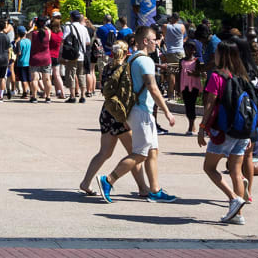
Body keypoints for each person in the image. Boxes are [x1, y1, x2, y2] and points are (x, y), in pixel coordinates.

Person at [98, 26, 177, 204]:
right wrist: (167, 112)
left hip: (139, 110)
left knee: (152, 151)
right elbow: (153, 88)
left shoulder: (132, 58)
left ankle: (155, 190)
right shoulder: (145, 61)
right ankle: (108, 180)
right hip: (142, 111)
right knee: (140, 153)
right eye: (154, 39)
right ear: (145, 41)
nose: (157, 42)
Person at [199, 41, 258, 225]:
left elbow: (210, 103)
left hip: (223, 131)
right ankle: (238, 215)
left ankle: (233, 198)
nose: (214, 55)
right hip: (242, 131)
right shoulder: (242, 76)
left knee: (209, 168)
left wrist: (202, 127)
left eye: (216, 52)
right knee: (235, 170)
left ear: (222, 55)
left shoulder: (217, 76)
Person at [80, 42, 150, 198]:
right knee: (135, 153)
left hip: (106, 112)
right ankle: (143, 189)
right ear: (126, 53)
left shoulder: (106, 68)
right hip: (119, 115)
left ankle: (85, 182)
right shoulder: (125, 69)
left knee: (104, 152)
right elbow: (125, 95)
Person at [62, 11, 91, 103]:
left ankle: (73, 96)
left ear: (71, 18)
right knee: (81, 75)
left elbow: (64, 40)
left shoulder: (69, 27)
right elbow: (88, 42)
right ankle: (82, 96)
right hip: (82, 55)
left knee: (71, 75)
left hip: (72, 55)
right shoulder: (84, 28)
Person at [177, 42, 203, 134]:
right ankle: (191, 124)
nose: (188, 51)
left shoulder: (196, 61)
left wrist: (193, 73)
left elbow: (199, 73)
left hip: (194, 86)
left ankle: (190, 127)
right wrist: (178, 87)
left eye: (190, 49)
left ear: (194, 50)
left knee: (191, 105)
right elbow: (179, 73)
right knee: (187, 105)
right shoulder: (182, 61)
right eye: (186, 49)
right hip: (185, 86)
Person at [28, 18, 53, 102]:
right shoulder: (48, 33)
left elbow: (27, 35)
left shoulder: (33, 34)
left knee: (34, 78)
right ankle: (48, 97)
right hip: (46, 58)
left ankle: (34, 96)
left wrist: (32, 27)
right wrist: (45, 26)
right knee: (47, 79)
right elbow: (48, 30)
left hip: (35, 58)